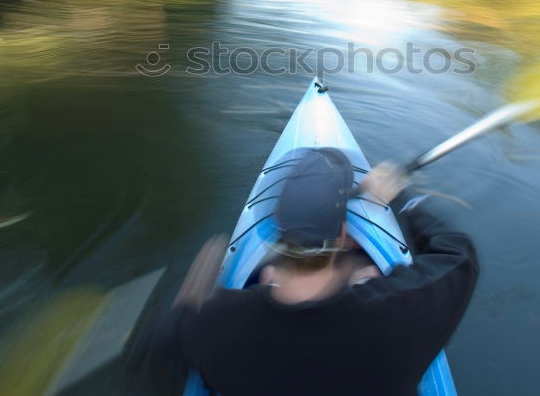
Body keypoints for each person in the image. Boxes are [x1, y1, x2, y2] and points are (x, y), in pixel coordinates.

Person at [150, 147, 479, 396]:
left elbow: (169, 338)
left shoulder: (212, 326)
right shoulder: (403, 314)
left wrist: (204, 275)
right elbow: (460, 255)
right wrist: (402, 198)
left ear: (279, 232)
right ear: (342, 236)